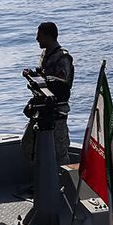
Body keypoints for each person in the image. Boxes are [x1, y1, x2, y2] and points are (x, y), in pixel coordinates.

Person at [22, 22, 74, 165]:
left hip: (57, 112)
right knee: (28, 146)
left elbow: (63, 83)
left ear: (48, 36)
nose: (37, 39)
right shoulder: (45, 54)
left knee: (59, 154)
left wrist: (45, 79)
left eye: (40, 36)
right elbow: (44, 75)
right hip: (41, 108)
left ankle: (64, 184)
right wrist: (33, 75)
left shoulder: (63, 57)